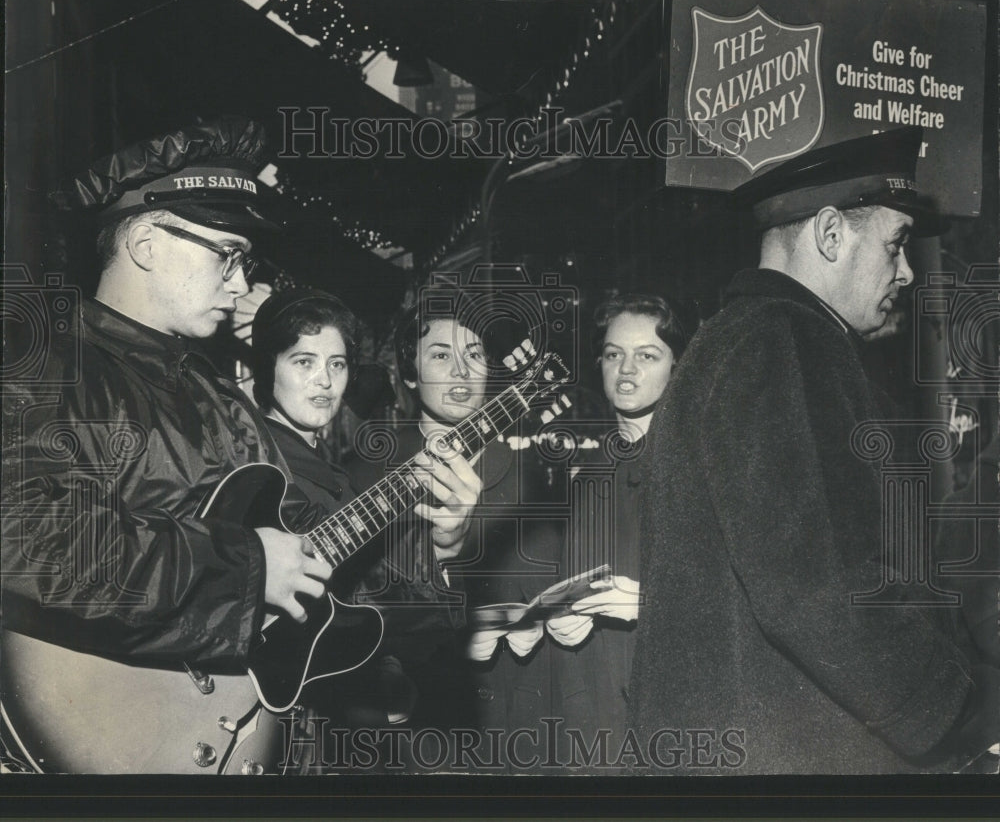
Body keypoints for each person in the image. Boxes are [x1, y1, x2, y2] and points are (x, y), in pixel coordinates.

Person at [627, 128, 998, 774]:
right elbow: (822, 591)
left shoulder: (728, 343)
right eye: (897, 243)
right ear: (831, 235)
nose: (907, 272)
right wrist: (965, 714)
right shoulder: (788, 343)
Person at [0, 117, 333, 774]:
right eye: (227, 256)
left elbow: (300, 551)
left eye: (248, 264)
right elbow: (23, 531)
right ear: (147, 243)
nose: (241, 285)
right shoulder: (49, 373)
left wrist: (436, 543)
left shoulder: (219, 395)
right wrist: (244, 569)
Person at [350, 304, 565, 771]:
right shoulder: (364, 474)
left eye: (474, 354)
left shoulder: (539, 475)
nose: (463, 371)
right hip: (419, 729)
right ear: (409, 376)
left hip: (526, 724)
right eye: (442, 356)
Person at [248, 288, 421, 768]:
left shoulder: (330, 471)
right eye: (304, 362)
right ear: (269, 368)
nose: (324, 380)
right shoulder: (249, 463)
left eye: (338, 365)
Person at [545, 293, 693, 771]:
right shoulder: (586, 479)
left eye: (647, 355)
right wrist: (550, 618)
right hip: (593, 725)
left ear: (679, 365)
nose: (626, 369)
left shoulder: (703, 469)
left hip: (677, 722)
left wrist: (655, 601)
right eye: (613, 354)